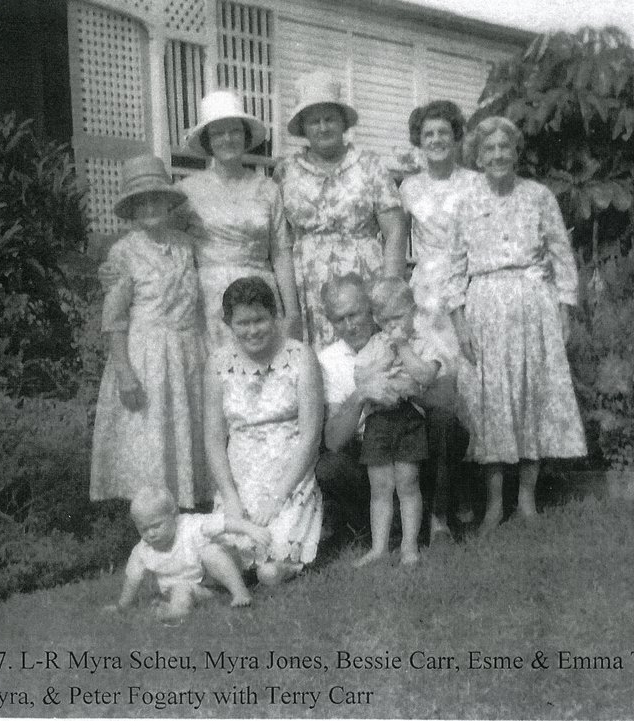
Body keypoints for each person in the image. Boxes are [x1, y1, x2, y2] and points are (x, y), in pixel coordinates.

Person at [455, 116, 588, 533]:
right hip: (485, 307)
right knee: (491, 402)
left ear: (516, 152)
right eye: (489, 149)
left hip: (533, 305)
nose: (497, 155)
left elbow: (561, 254)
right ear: (477, 156)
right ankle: (495, 503)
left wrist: (565, 308)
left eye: (504, 147)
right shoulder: (466, 200)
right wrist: (459, 321)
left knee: (530, 398)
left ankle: (527, 498)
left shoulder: (538, 196)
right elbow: (454, 262)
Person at [89, 154, 208, 508]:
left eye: (157, 198)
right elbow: (115, 319)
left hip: (187, 349)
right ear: (131, 209)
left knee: (184, 429)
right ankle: (151, 517)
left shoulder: (186, 246)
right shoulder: (123, 253)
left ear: (169, 203)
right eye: (141, 201)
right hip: (146, 354)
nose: (150, 207)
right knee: (149, 434)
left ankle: (186, 509)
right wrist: (125, 372)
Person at [274, 70, 408, 352]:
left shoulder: (369, 164)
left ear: (343, 123)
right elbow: (280, 241)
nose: (323, 127)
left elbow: (395, 232)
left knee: (373, 358)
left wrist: (389, 291)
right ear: (303, 128)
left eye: (330, 118)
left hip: (364, 280)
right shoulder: (286, 171)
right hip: (309, 286)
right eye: (314, 121)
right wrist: (290, 310)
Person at [203, 276, 324, 585]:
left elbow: (310, 436)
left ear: (275, 316)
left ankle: (279, 559)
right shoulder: (218, 363)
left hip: (289, 476)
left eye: (259, 319)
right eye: (242, 322)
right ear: (228, 323)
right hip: (242, 476)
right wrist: (230, 496)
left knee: (269, 572)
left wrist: (278, 495)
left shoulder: (300, 356)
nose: (252, 330)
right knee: (216, 565)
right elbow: (214, 440)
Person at [400, 99, 479, 537]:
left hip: (466, 284)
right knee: (437, 386)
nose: (435, 141)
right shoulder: (408, 187)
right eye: (428, 134)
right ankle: (438, 493)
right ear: (419, 141)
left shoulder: (474, 183)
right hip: (425, 291)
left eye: (443, 133)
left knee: (471, 383)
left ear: (456, 137)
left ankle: (466, 487)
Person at [179, 90, 301, 347]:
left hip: (260, 295)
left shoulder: (267, 188)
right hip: (209, 300)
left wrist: (292, 313)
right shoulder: (186, 191)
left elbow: (280, 252)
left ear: (245, 136)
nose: (227, 139)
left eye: (234, 130)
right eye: (218, 133)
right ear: (207, 141)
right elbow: (175, 254)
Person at [352, 278, 444, 567]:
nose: (393, 326)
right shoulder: (374, 344)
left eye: (399, 317)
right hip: (378, 421)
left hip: (409, 420)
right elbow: (361, 378)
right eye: (386, 320)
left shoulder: (423, 342)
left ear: (413, 311)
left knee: (407, 483)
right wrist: (386, 358)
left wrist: (403, 347)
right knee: (380, 487)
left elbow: (426, 376)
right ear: (377, 319)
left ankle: (409, 547)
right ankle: (379, 548)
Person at [103, 488, 271, 623]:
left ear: (174, 515)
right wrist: (122, 606)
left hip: (215, 580)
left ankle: (240, 593)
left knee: (210, 551)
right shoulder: (142, 551)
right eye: (143, 529)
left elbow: (224, 523)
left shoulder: (190, 526)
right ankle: (176, 610)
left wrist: (251, 529)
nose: (151, 534)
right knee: (181, 588)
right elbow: (133, 580)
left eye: (156, 526)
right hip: (191, 590)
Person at [315, 273, 400, 541]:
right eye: (340, 319)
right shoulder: (327, 361)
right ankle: (366, 528)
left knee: (445, 424)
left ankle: (437, 520)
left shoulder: (396, 338)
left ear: (370, 310)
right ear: (331, 323)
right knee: (329, 467)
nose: (350, 325)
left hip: (407, 440)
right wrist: (360, 394)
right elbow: (333, 440)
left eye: (355, 314)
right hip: (364, 451)